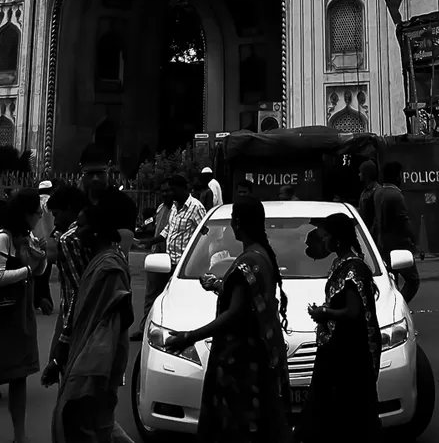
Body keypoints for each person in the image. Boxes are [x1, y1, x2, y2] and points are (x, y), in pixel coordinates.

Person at [164, 195, 291, 441]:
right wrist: (219, 285)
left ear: (239, 223)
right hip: (259, 356)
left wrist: (190, 337)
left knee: (237, 426)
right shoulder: (262, 254)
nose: (232, 224)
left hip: (241, 363)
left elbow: (235, 314)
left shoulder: (248, 261)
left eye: (233, 219)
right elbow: (246, 299)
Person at [47, 195, 136, 443]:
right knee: (91, 423)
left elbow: (109, 323)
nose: (77, 232)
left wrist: (90, 369)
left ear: (97, 232)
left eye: (83, 226)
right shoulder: (99, 261)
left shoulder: (109, 267)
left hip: (99, 360)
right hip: (89, 352)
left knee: (92, 423)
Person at [0, 187, 47, 443]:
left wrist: (40, 258)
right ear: (25, 213)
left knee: (19, 376)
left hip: (19, 316)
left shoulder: (25, 237)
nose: (39, 216)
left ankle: (20, 435)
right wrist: (27, 268)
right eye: (36, 212)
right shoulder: (2, 237)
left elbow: (37, 270)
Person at [297, 211, 381, 443]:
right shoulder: (340, 264)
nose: (323, 241)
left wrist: (324, 313)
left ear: (338, 239)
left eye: (326, 236)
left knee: (348, 413)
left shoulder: (354, 269)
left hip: (349, 356)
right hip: (337, 351)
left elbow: (352, 312)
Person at [44, 184, 90, 377]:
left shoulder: (68, 240)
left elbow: (76, 291)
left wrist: (63, 339)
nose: (54, 221)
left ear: (70, 210)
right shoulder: (94, 230)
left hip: (77, 320)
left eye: (56, 214)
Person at [131, 181, 174, 343]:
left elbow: (165, 233)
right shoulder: (161, 208)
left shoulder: (177, 210)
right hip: (156, 257)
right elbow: (153, 225)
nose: (165, 195)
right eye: (162, 191)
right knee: (150, 295)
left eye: (168, 191)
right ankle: (144, 329)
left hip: (171, 259)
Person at [378, 162, 420, 303]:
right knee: (413, 280)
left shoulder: (378, 193)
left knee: (392, 281)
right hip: (399, 245)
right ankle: (401, 305)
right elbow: (404, 222)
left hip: (383, 245)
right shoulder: (395, 195)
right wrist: (415, 242)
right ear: (396, 177)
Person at [165, 174, 207, 274]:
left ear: (183, 188)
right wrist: (150, 242)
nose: (171, 193)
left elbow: (205, 235)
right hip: (169, 263)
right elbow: (169, 228)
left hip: (185, 265)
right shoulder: (174, 206)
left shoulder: (196, 207)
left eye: (174, 190)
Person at [33, 179, 57, 315]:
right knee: (45, 272)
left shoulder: (35, 203)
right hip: (49, 241)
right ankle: (44, 300)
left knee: (35, 272)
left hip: (35, 240)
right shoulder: (52, 203)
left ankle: (38, 300)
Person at [357, 160, 382, 241]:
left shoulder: (377, 191)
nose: (359, 174)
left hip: (372, 237)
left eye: (361, 172)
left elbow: (377, 218)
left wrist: (370, 236)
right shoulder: (366, 191)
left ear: (366, 174)